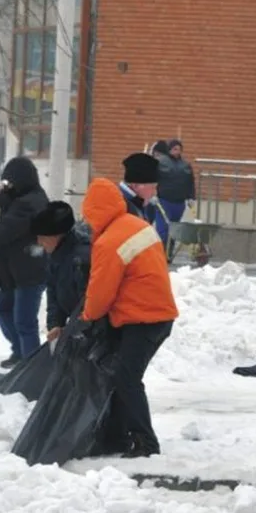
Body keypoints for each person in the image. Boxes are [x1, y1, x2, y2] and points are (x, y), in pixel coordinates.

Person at [81, 177, 179, 458]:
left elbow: (100, 294)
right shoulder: (136, 224)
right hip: (157, 314)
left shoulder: (110, 241)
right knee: (125, 375)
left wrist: (87, 318)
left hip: (143, 318)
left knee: (126, 378)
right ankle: (123, 436)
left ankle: (145, 442)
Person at [0, 156, 50, 368]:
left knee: (25, 321)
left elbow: (9, 228)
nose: (7, 186)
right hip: (18, 270)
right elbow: (11, 216)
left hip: (31, 270)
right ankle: (20, 352)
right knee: (1, 305)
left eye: (10, 182)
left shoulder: (32, 203)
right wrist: (5, 198)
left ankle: (31, 367)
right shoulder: (24, 198)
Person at [33, 201, 91, 343]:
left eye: (42, 238)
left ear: (56, 236)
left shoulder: (82, 259)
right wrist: (55, 324)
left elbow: (90, 305)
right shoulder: (56, 254)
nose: (39, 243)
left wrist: (73, 330)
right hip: (74, 330)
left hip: (90, 334)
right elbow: (53, 291)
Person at [119, 152, 170, 244]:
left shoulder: (136, 203)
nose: (155, 193)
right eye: (153, 187)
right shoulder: (122, 206)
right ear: (136, 186)